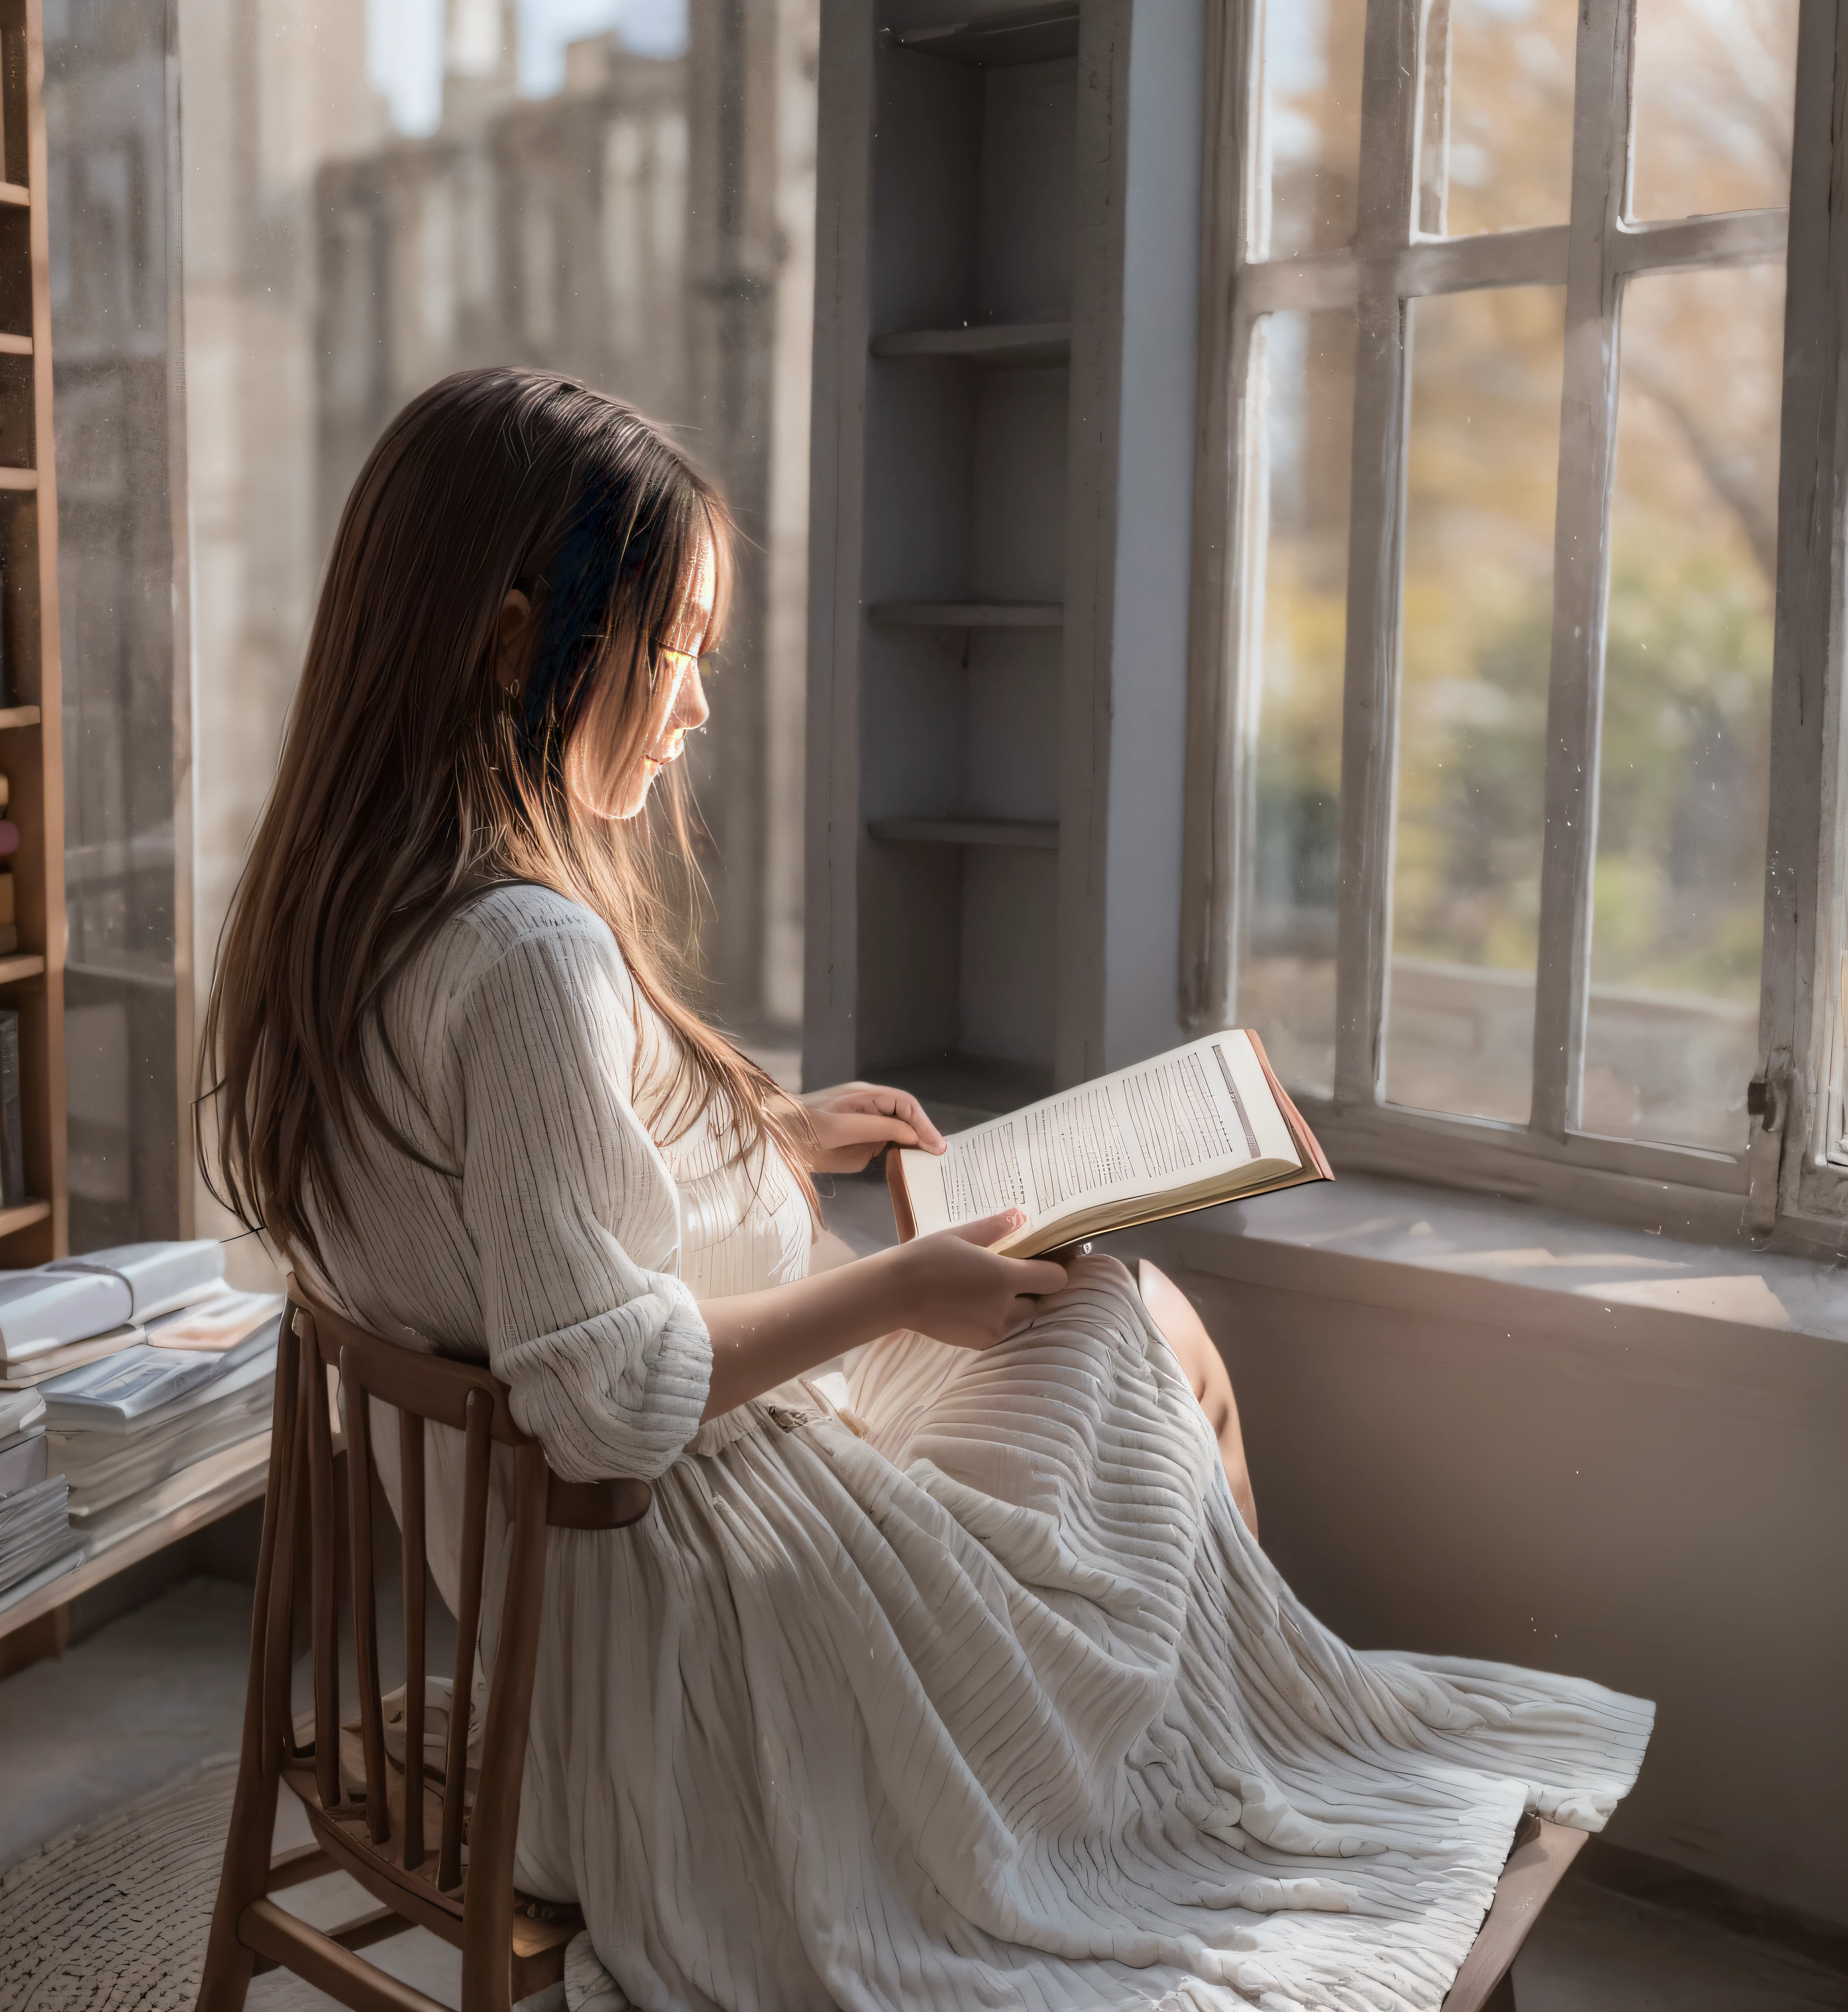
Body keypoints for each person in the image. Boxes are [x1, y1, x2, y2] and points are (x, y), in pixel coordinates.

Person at [202, 368, 1652, 2012]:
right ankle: (1223, 1771)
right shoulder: (528, 951)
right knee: (1115, 1314)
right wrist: (897, 1286)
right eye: (668, 648)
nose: (691, 706)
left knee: (1112, 1324)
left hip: (567, 1643)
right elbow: (599, 1399)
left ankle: (1223, 1741)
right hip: (690, 1681)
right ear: (509, 636)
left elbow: (503, 1211)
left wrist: (763, 1131)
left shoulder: (337, 924)